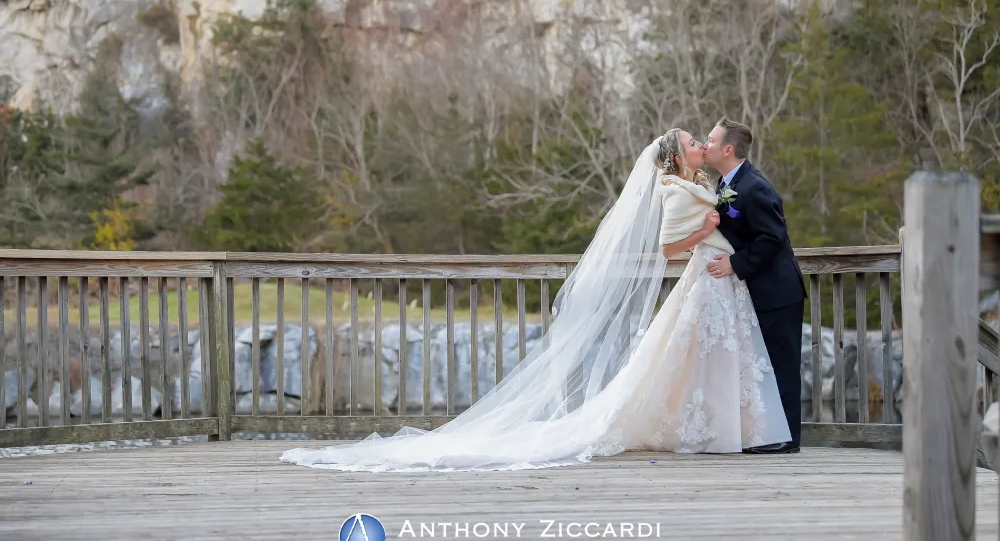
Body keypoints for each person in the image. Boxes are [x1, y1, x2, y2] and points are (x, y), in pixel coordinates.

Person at [279, 129, 790, 472]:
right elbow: (669, 246)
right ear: (680, 156)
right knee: (691, 359)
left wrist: (717, 240)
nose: (702, 142)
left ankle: (726, 429)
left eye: (706, 139)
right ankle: (712, 429)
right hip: (710, 277)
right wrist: (705, 230)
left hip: (721, 279)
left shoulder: (707, 181)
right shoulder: (678, 189)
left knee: (702, 360)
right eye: (693, 141)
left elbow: (736, 231)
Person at [702, 117, 806, 454]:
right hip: (756, 291)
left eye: (711, 139)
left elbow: (772, 237)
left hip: (778, 290)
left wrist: (735, 264)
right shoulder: (725, 183)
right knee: (761, 364)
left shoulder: (755, 187)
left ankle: (786, 440)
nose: (706, 144)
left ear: (728, 149)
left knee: (781, 363)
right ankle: (764, 433)